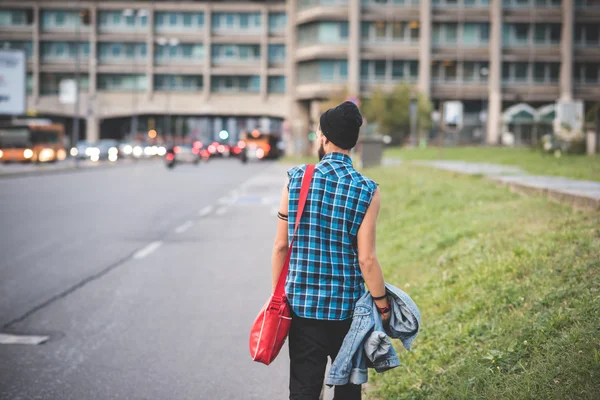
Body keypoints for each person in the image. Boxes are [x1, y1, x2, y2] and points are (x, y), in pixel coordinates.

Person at [271, 101, 391, 400]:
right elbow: (367, 258)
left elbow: (281, 246)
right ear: (353, 140)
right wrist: (383, 304)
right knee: (348, 390)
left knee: (304, 389)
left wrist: (278, 296)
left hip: (302, 309)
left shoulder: (296, 179)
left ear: (323, 137)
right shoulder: (367, 190)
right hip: (346, 312)